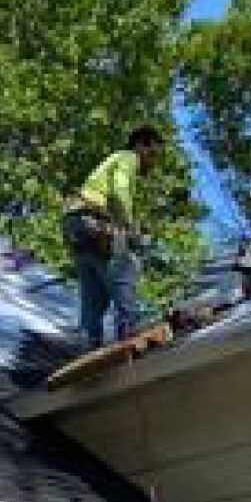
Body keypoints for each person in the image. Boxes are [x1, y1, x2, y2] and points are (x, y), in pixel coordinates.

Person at [62, 124, 162, 347]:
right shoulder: (128, 157)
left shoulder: (113, 160)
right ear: (139, 146)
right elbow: (119, 188)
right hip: (91, 218)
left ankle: (91, 338)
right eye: (152, 154)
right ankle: (130, 326)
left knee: (94, 285)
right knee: (124, 269)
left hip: (74, 221)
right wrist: (128, 224)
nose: (152, 161)